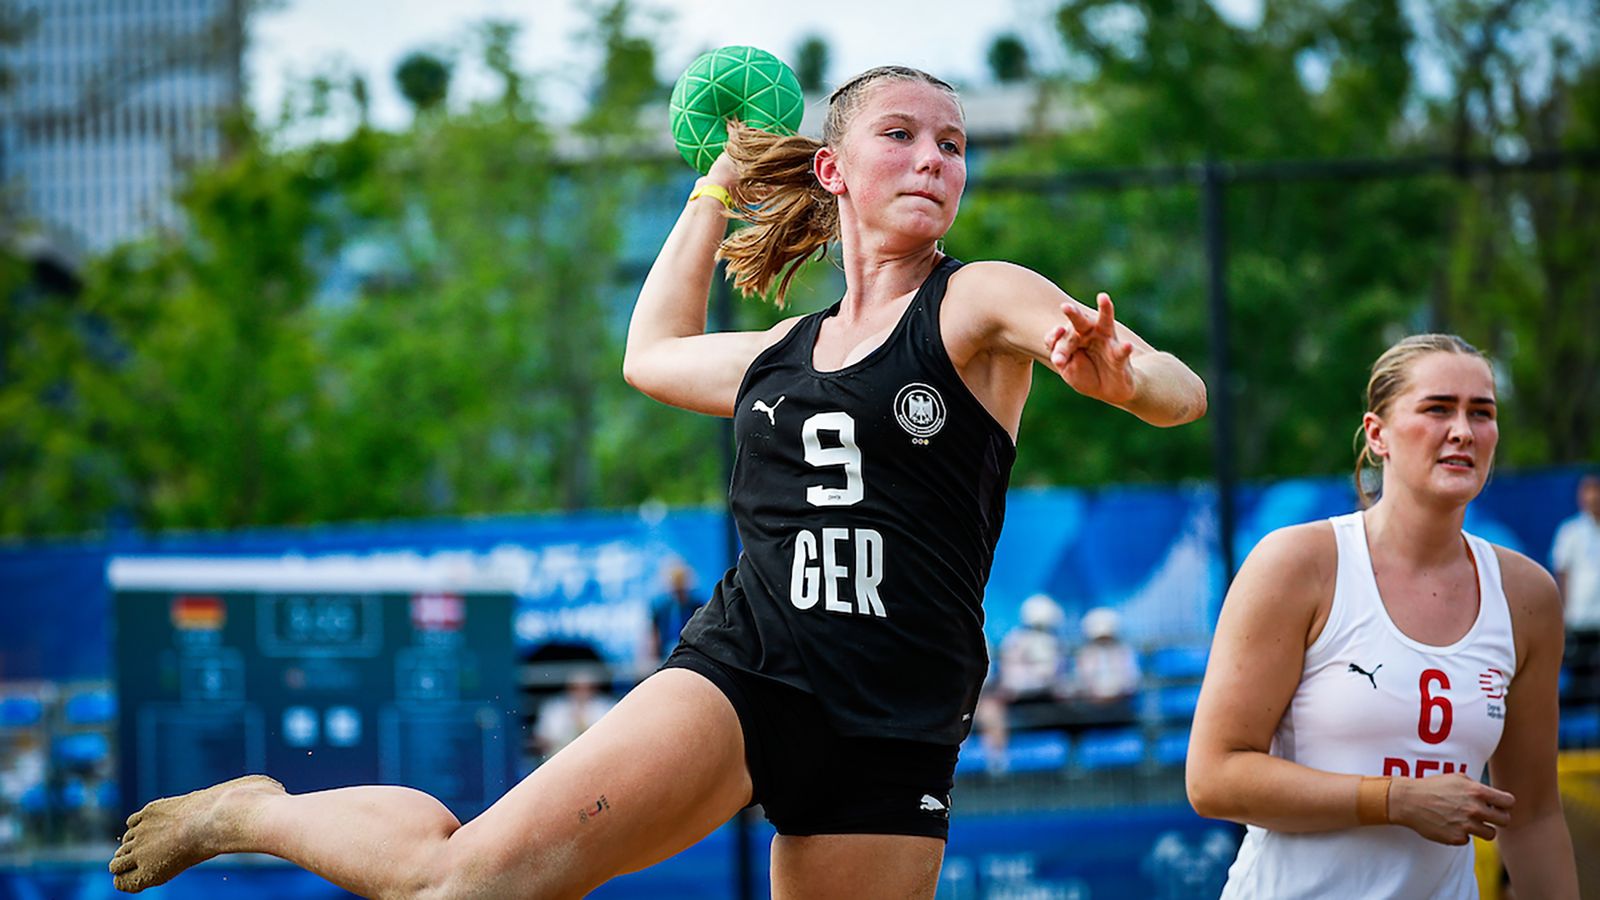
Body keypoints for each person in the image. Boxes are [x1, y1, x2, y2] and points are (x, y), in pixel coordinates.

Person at [109, 65, 1204, 898]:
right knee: (457, 884)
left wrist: (1130, 376)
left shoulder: (975, 301)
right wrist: (715, 186)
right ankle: (248, 813)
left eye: (954, 144)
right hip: (750, 673)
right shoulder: (778, 356)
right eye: (901, 135)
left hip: (899, 719)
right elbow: (647, 352)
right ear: (832, 169)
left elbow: (1178, 390)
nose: (934, 158)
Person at [1186, 334, 1578, 898]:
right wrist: (1394, 799)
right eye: (1438, 408)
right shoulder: (1300, 562)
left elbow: (1534, 816)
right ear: (1378, 435)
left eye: (1482, 413)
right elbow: (1213, 777)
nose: (1463, 431)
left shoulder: (1527, 595)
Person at [1551, 473, 1600, 707]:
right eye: (1587, 491)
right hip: (1579, 618)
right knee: (1577, 683)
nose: (1592, 497)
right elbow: (1563, 573)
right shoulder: (1571, 532)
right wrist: (1565, 613)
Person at [1070, 606, 1141, 726]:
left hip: (1121, 707)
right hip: (1091, 709)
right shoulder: (1084, 654)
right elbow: (1080, 682)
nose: (1103, 641)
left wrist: (1113, 694)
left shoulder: (1124, 652)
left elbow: (1132, 682)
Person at [533, 668, 618, 761]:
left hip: (597, 756)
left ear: (595, 688)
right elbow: (542, 738)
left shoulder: (606, 707)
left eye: (588, 687)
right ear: (568, 688)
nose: (582, 691)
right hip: (560, 758)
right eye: (576, 687)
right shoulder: (554, 708)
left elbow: (610, 738)